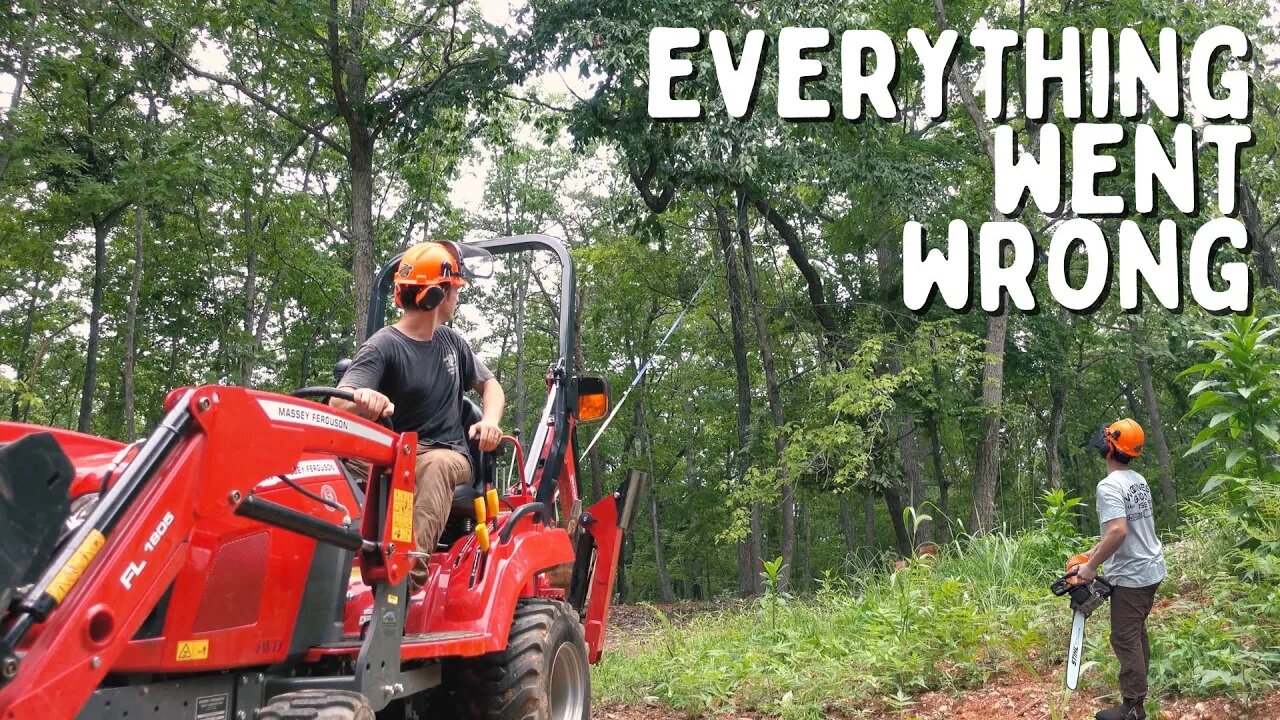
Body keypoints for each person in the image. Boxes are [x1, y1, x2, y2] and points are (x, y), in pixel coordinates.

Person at [331, 241, 505, 588]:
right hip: (394, 452)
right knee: (329, 463)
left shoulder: (453, 344)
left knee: (435, 467)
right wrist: (362, 399)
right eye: (454, 289)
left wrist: (490, 422)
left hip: (445, 454)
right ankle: (329, 562)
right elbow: (339, 404)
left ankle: (404, 579)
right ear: (436, 297)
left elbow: (491, 386)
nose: (457, 297)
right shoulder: (383, 345)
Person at [1071, 418, 1167, 720]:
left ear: (1110, 446)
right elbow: (1129, 530)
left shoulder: (1109, 485)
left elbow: (1118, 532)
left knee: (1124, 637)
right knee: (1135, 633)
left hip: (1133, 576)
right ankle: (1136, 702)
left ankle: (1133, 708)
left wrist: (1090, 569)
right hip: (1149, 568)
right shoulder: (1137, 479)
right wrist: (1090, 554)